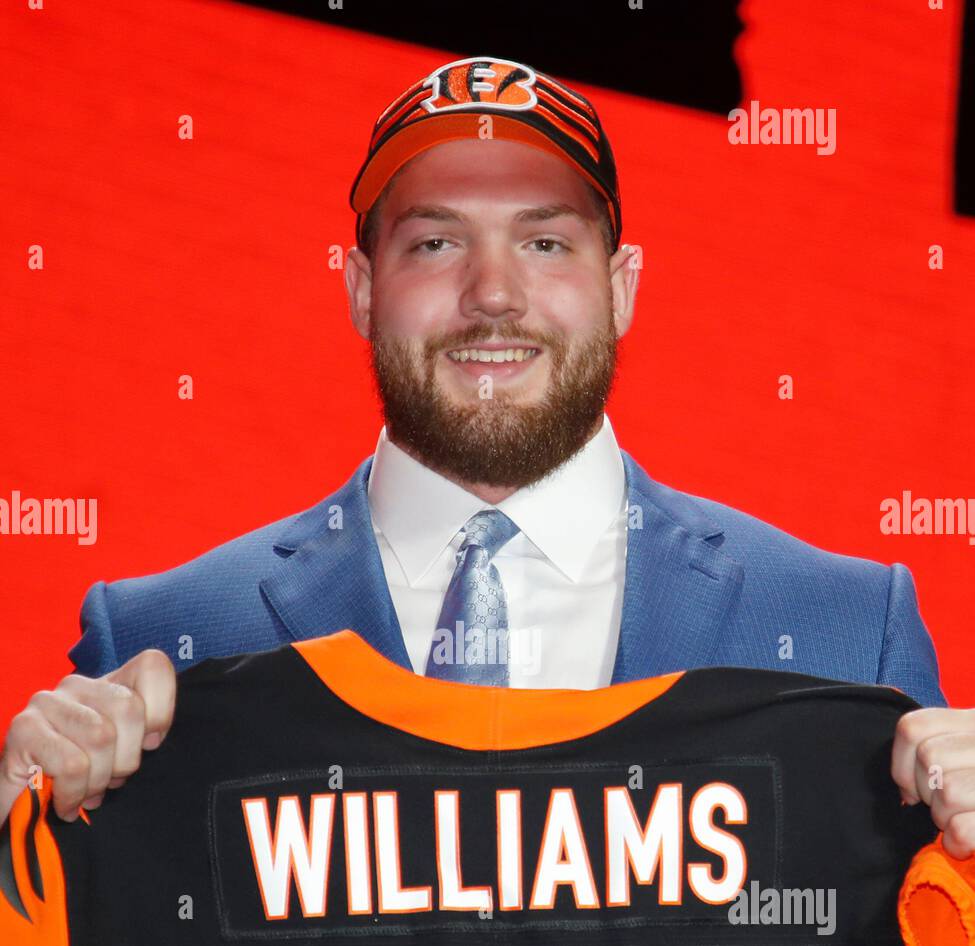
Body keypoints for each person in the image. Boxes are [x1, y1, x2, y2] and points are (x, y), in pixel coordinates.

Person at [1, 55, 973, 856]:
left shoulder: (847, 633)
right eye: (434, 244)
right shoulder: (161, 640)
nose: (494, 293)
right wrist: (10, 840)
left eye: (546, 243)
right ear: (359, 289)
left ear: (622, 286)